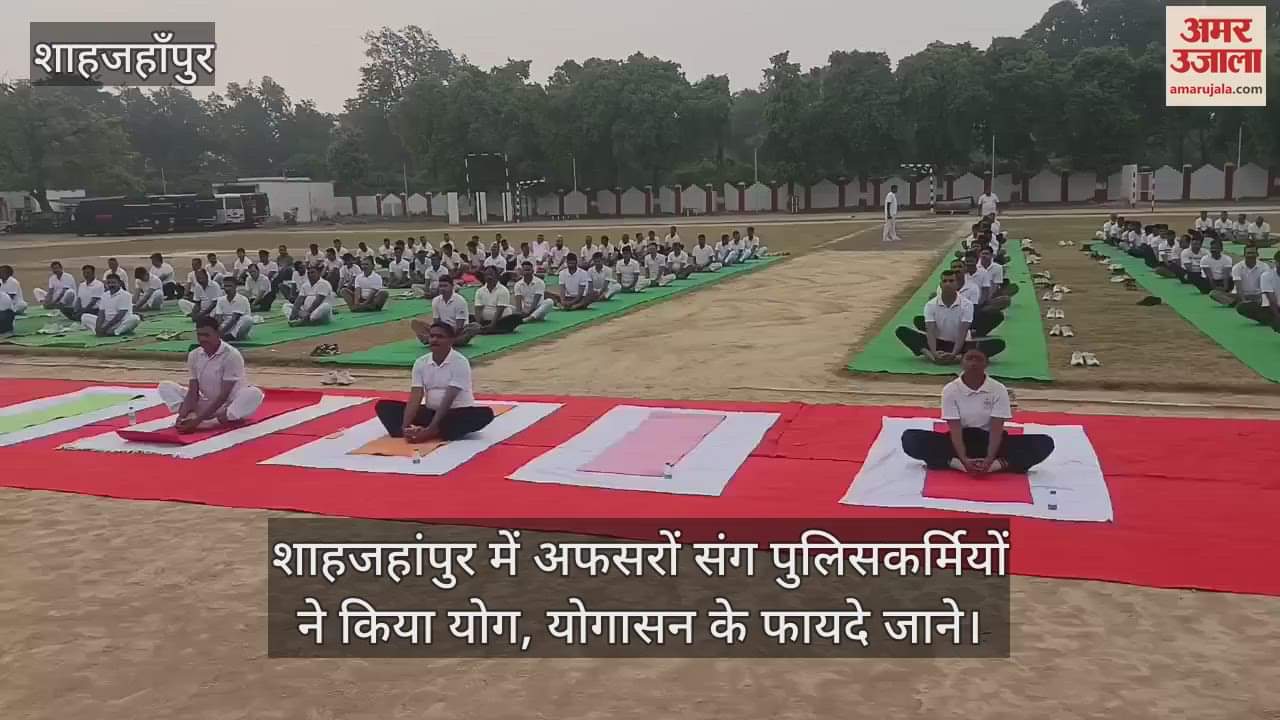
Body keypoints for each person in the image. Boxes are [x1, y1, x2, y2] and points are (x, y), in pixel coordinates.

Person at [900, 349, 1054, 474]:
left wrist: (989, 459)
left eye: (978, 359)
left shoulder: (997, 389)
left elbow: (996, 429)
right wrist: (963, 459)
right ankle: (956, 464)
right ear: (962, 363)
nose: (974, 363)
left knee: (1044, 443)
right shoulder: (951, 390)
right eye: (969, 358)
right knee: (910, 438)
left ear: (986, 364)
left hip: (991, 441)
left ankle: (995, 466)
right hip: (960, 441)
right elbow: (955, 429)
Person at [374, 321, 496, 442]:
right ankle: (414, 432)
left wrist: (431, 429)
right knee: (384, 407)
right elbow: (415, 397)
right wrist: (405, 426)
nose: (434, 340)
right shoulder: (421, 363)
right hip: (431, 412)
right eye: (432, 336)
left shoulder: (460, 362)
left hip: (454, 413)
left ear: (451, 340)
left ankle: (433, 431)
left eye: (440, 337)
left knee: (484, 414)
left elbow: (448, 399)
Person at [158, 316, 265, 433]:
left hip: (229, 405)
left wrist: (198, 421)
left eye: (207, 335)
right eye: (199, 335)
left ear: (217, 334)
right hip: (207, 403)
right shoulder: (194, 355)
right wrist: (183, 415)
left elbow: (224, 395)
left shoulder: (231, 355)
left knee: (254, 393)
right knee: (165, 386)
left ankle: (211, 423)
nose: (203, 339)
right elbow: (193, 391)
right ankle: (190, 417)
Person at [895, 270, 1006, 361]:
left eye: (951, 281)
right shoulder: (931, 305)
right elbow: (930, 330)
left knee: (998, 344)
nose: (948, 283)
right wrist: (934, 353)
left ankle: (959, 358)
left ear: (956, 284)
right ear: (941, 285)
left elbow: (962, 332)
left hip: (961, 344)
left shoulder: (966, 305)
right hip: (938, 342)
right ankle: (928, 354)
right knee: (901, 331)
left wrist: (954, 354)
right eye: (945, 281)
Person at [413, 274, 479, 346]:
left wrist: (446, 335)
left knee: (475, 327)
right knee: (415, 323)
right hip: (442, 329)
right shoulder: (436, 300)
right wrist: (438, 333)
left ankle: (436, 340)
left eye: (445, 286)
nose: (442, 289)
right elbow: (436, 322)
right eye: (441, 286)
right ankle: (443, 340)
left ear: (452, 286)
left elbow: (459, 326)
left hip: (457, 331)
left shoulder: (460, 300)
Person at [1236, 249, 1280, 329]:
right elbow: (1272, 300)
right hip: (1271, 308)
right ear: (1276, 262)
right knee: (1242, 307)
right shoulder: (1267, 276)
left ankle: (1272, 321)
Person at [474, 267, 523, 335]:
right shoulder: (479, 291)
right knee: (469, 317)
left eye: (491, 274)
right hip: (484, 321)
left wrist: (492, 325)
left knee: (517, 317)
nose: (489, 277)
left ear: (497, 276)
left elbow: (499, 310)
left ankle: (491, 329)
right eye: (487, 274)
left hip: (500, 320)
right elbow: (478, 309)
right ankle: (488, 329)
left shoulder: (503, 290)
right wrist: (478, 325)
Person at [214, 275, 254, 341]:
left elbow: (234, 319)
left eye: (230, 286)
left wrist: (221, 332)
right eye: (226, 286)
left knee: (248, 319)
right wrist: (217, 329)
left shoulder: (242, 299)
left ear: (235, 287)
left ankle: (231, 336)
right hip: (225, 325)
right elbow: (219, 318)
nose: (227, 289)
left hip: (238, 326)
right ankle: (226, 336)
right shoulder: (221, 300)